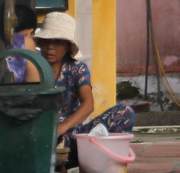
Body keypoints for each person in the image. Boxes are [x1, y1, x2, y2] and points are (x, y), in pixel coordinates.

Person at [34, 11, 134, 164]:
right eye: (46, 41)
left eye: (57, 42)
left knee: (125, 111)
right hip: (39, 137)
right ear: (40, 43)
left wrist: (62, 127)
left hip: (73, 138)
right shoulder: (32, 68)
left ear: (68, 46)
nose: (50, 47)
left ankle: (106, 168)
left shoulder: (77, 69)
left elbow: (88, 104)